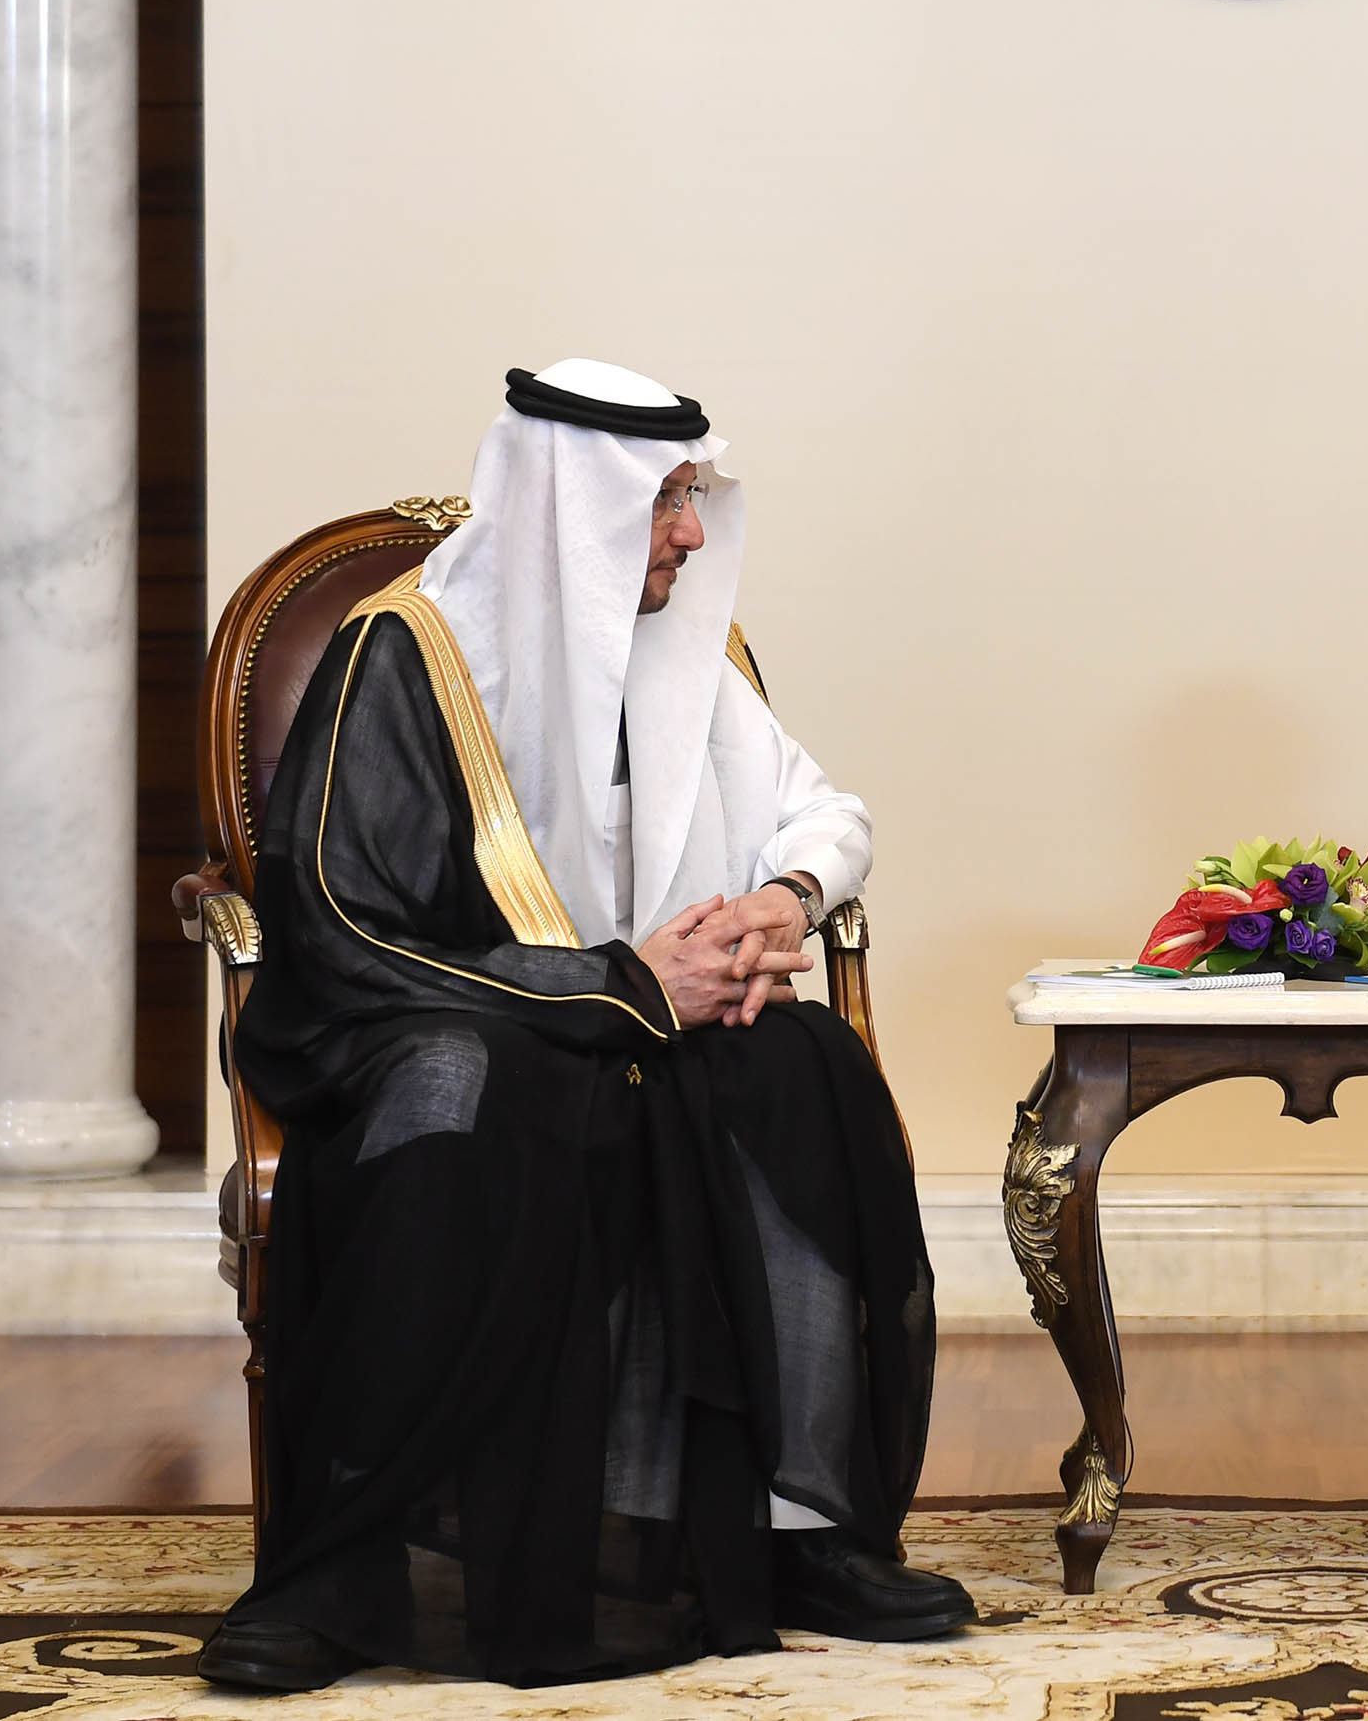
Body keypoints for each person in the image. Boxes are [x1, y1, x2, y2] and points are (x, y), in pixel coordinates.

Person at [197, 361, 971, 1692]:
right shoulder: (406, 654)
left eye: (694, 496)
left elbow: (824, 814)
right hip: (450, 1017)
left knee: (805, 1065)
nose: (692, 532)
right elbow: (342, 922)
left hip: (656, 1021)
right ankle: (342, 1570)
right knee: (458, 1088)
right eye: (665, 500)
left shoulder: (692, 649)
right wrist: (618, 990)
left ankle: (791, 1535)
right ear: (576, 506)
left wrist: (778, 905)